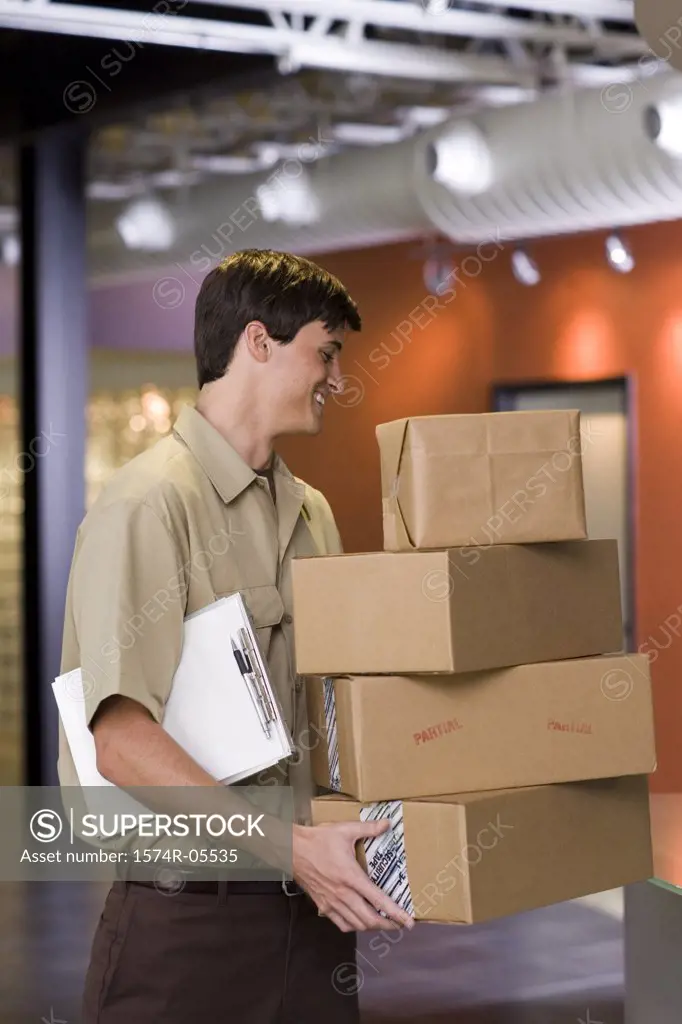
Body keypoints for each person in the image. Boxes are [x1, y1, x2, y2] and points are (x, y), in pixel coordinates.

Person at [57, 249, 414, 1024]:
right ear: (258, 341)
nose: (337, 377)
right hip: (186, 931)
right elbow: (119, 739)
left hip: (312, 920)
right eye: (325, 353)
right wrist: (290, 850)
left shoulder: (313, 513)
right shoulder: (148, 506)